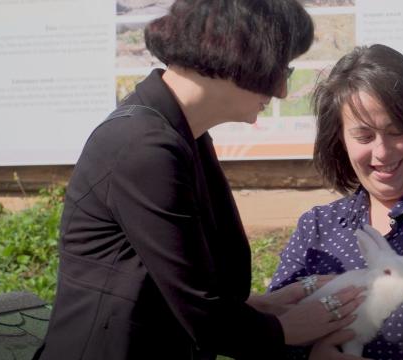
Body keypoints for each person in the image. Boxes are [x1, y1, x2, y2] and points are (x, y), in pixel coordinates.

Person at [34, 1, 365, 359]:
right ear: (240, 55)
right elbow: (201, 314)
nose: (283, 91)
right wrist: (287, 328)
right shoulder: (144, 147)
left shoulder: (179, 133)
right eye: (280, 68)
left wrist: (264, 307)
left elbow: (177, 284)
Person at [268, 44, 403, 360]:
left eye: (397, 131)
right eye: (364, 137)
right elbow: (272, 331)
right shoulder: (317, 227)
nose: (382, 152)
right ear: (340, 141)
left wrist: (321, 338)